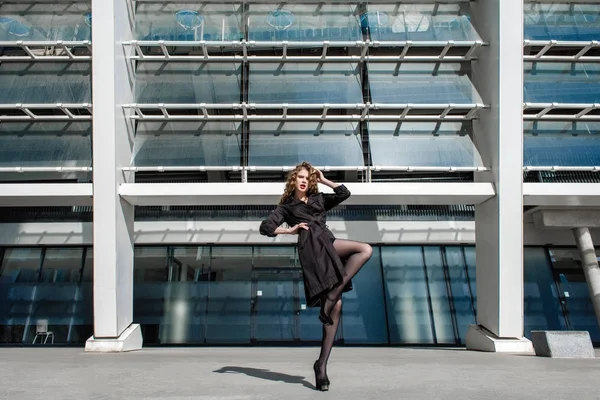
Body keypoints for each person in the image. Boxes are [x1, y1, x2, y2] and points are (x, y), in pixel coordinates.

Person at [259, 161, 373, 392]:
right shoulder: (286, 206)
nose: (303, 180)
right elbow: (265, 227)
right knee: (339, 302)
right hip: (312, 249)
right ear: (294, 180)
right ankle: (322, 364)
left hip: (328, 242)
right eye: (300, 176)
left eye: (307, 177)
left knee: (363, 253)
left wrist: (323, 180)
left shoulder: (318, 198)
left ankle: (321, 362)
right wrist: (289, 230)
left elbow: (344, 193)